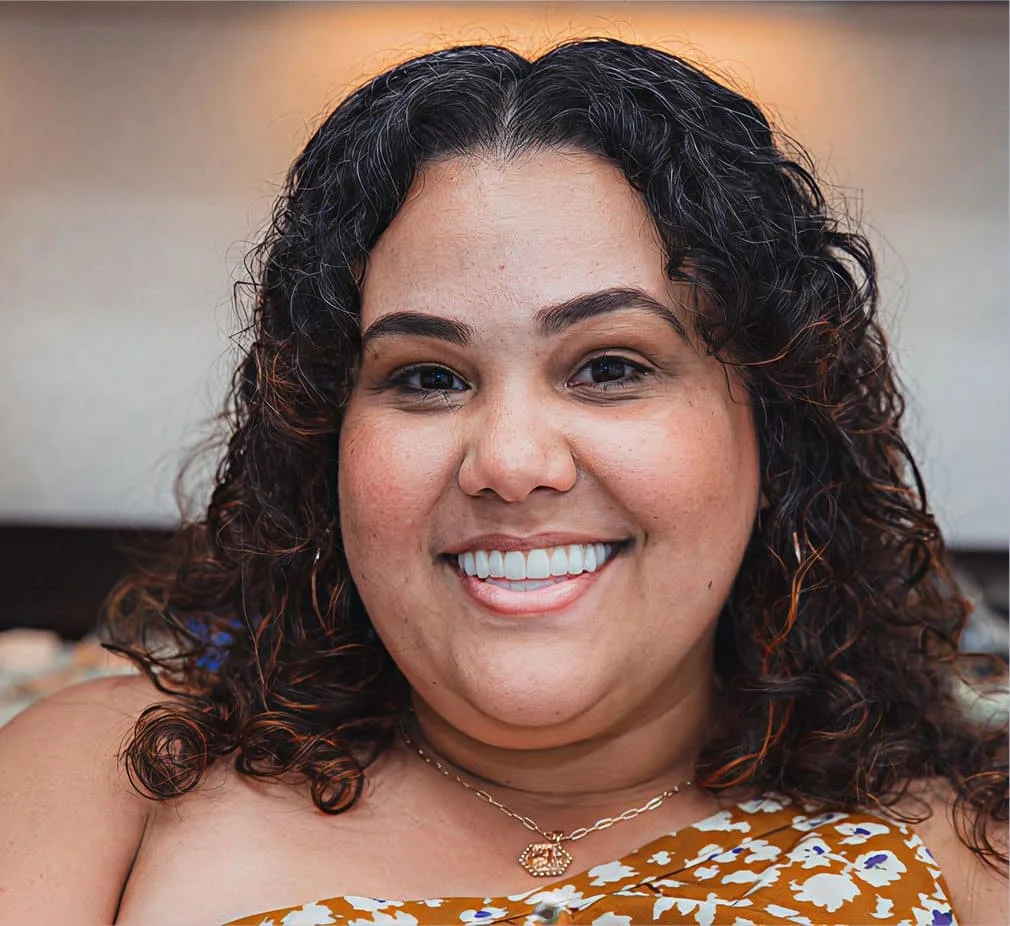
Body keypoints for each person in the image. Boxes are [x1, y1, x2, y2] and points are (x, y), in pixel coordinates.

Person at [0, 37, 1006, 926]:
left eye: (609, 365)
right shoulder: (120, 773)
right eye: (427, 378)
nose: (511, 464)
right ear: (324, 442)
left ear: (773, 425)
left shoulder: (966, 842)